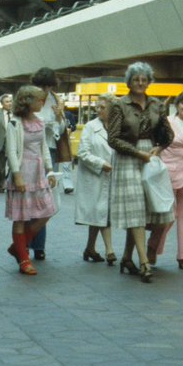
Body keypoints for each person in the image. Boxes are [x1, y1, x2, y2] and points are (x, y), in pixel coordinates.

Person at [106, 61, 173, 283]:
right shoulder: (119, 105)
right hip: (128, 158)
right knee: (135, 208)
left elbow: (168, 134)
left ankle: (127, 257)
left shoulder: (156, 105)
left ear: (149, 81)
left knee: (147, 212)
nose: (141, 83)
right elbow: (113, 138)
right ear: (129, 82)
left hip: (150, 158)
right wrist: (138, 153)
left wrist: (159, 148)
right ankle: (144, 262)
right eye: (136, 79)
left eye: (144, 79)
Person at [148, 90, 183, 271]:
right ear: (177, 105)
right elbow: (157, 145)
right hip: (169, 175)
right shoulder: (168, 122)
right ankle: (153, 246)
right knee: (167, 216)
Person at [4, 85, 57, 275]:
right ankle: (23, 259)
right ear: (27, 101)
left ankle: (18, 246)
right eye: (39, 100)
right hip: (22, 171)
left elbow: (44, 148)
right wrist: (17, 175)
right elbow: (11, 150)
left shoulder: (40, 121)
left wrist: (50, 171)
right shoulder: (15, 122)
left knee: (47, 211)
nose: (42, 103)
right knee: (20, 217)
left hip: (38, 172)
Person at [74, 93, 116, 265]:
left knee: (99, 214)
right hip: (95, 175)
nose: (98, 110)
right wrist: (101, 163)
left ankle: (90, 248)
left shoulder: (118, 127)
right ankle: (110, 250)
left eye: (102, 107)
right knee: (101, 213)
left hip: (112, 176)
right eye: (97, 107)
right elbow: (82, 153)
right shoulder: (91, 127)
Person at [28, 67, 63, 260]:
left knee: (47, 201)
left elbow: (61, 130)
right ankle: (26, 242)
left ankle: (38, 244)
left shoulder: (55, 100)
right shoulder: (28, 98)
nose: (46, 90)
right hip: (29, 152)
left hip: (49, 150)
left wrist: (58, 118)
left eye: (49, 86)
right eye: (42, 86)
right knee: (29, 200)